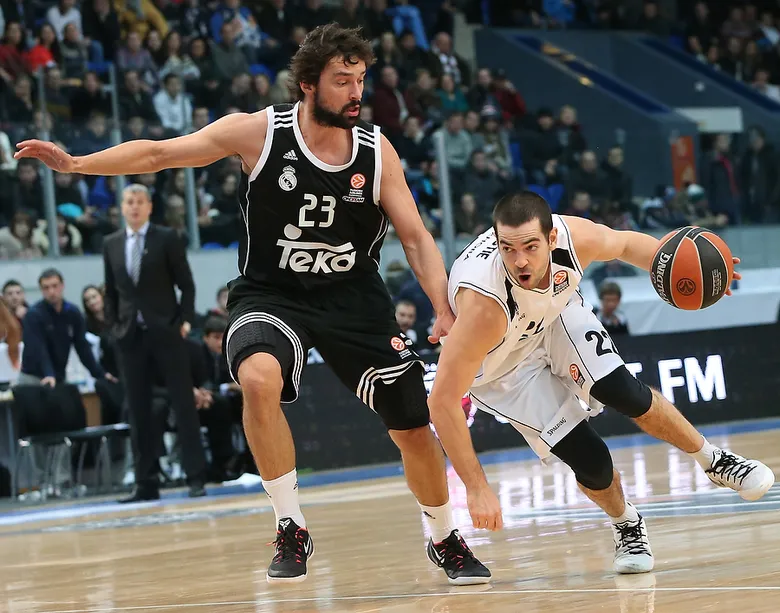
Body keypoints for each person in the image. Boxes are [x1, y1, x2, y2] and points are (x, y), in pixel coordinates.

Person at [15, 23, 490, 586]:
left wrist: (441, 305)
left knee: (411, 425)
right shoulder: (260, 132)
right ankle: (291, 525)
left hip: (353, 297)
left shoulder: (375, 149)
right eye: (342, 81)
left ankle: (443, 535)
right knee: (258, 379)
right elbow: (161, 153)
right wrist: (76, 165)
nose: (356, 92)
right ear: (308, 84)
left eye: (361, 79)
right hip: (272, 291)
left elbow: (414, 236)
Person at [428, 191, 775, 574]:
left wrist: (697, 269)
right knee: (592, 462)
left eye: (530, 247)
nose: (520, 260)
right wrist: (476, 487)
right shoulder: (483, 309)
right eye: (508, 249)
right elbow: (442, 402)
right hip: (502, 369)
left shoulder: (576, 239)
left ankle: (714, 460)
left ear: (552, 239)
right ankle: (626, 522)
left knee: (621, 389)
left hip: (554, 317)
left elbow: (627, 245)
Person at [102, 184, 208, 502]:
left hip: (167, 333)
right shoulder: (111, 243)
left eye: (140, 201)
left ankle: (195, 476)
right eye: (129, 202)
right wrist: (115, 327)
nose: (134, 207)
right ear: (122, 207)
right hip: (130, 337)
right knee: (137, 410)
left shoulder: (167, 238)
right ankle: (145, 482)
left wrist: (185, 320)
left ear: (149, 206)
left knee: (183, 404)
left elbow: (186, 284)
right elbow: (111, 292)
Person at [18, 269, 116, 389]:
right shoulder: (34, 315)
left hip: (58, 376)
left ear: (62, 286)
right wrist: (49, 373)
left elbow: (82, 346)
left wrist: (100, 373)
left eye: (55, 286)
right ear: (41, 290)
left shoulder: (72, 312)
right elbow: (38, 348)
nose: (51, 291)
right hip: (33, 377)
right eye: (46, 288)